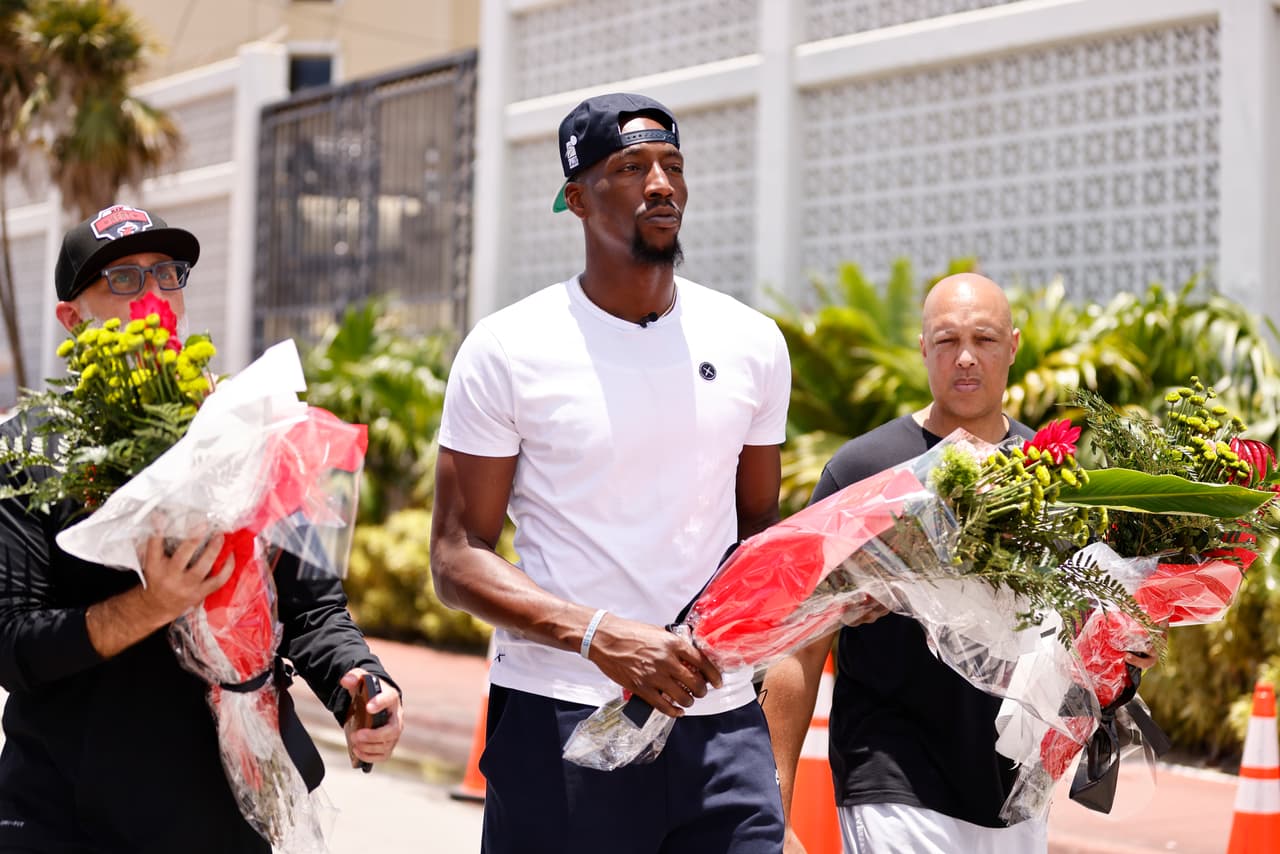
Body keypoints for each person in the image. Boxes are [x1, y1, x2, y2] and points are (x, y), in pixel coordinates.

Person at [430, 92, 791, 853]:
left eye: (673, 165)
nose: (661, 184)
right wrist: (596, 635)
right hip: (562, 716)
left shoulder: (753, 343)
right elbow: (457, 556)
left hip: (719, 723)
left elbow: (758, 528)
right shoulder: (508, 349)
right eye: (631, 168)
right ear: (577, 199)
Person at [0, 204, 405, 853]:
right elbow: (13, 645)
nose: (152, 293)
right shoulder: (26, 450)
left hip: (224, 813)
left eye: (167, 272)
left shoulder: (245, 428)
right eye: (122, 279)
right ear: (72, 319)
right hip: (67, 816)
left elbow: (310, 601)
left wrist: (356, 677)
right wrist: (152, 606)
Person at [760, 273, 1155, 854]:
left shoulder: (1053, 475)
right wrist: (777, 805)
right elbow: (800, 644)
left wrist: (1126, 647)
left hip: (1017, 790)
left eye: (985, 340)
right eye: (946, 341)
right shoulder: (863, 469)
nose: (965, 358)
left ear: (1014, 346)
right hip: (892, 777)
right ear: (923, 348)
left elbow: (1080, 628)